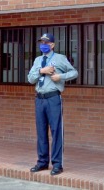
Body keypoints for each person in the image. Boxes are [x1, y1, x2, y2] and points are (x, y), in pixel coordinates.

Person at [27, 33, 78, 176]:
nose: (43, 44)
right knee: (41, 131)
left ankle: (57, 164)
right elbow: (30, 79)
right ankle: (42, 162)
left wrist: (60, 77)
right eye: (41, 42)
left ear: (52, 45)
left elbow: (74, 72)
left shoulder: (59, 58)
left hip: (53, 98)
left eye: (46, 42)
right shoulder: (38, 60)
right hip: (39, 98)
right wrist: (41, 71)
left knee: (56, 131)